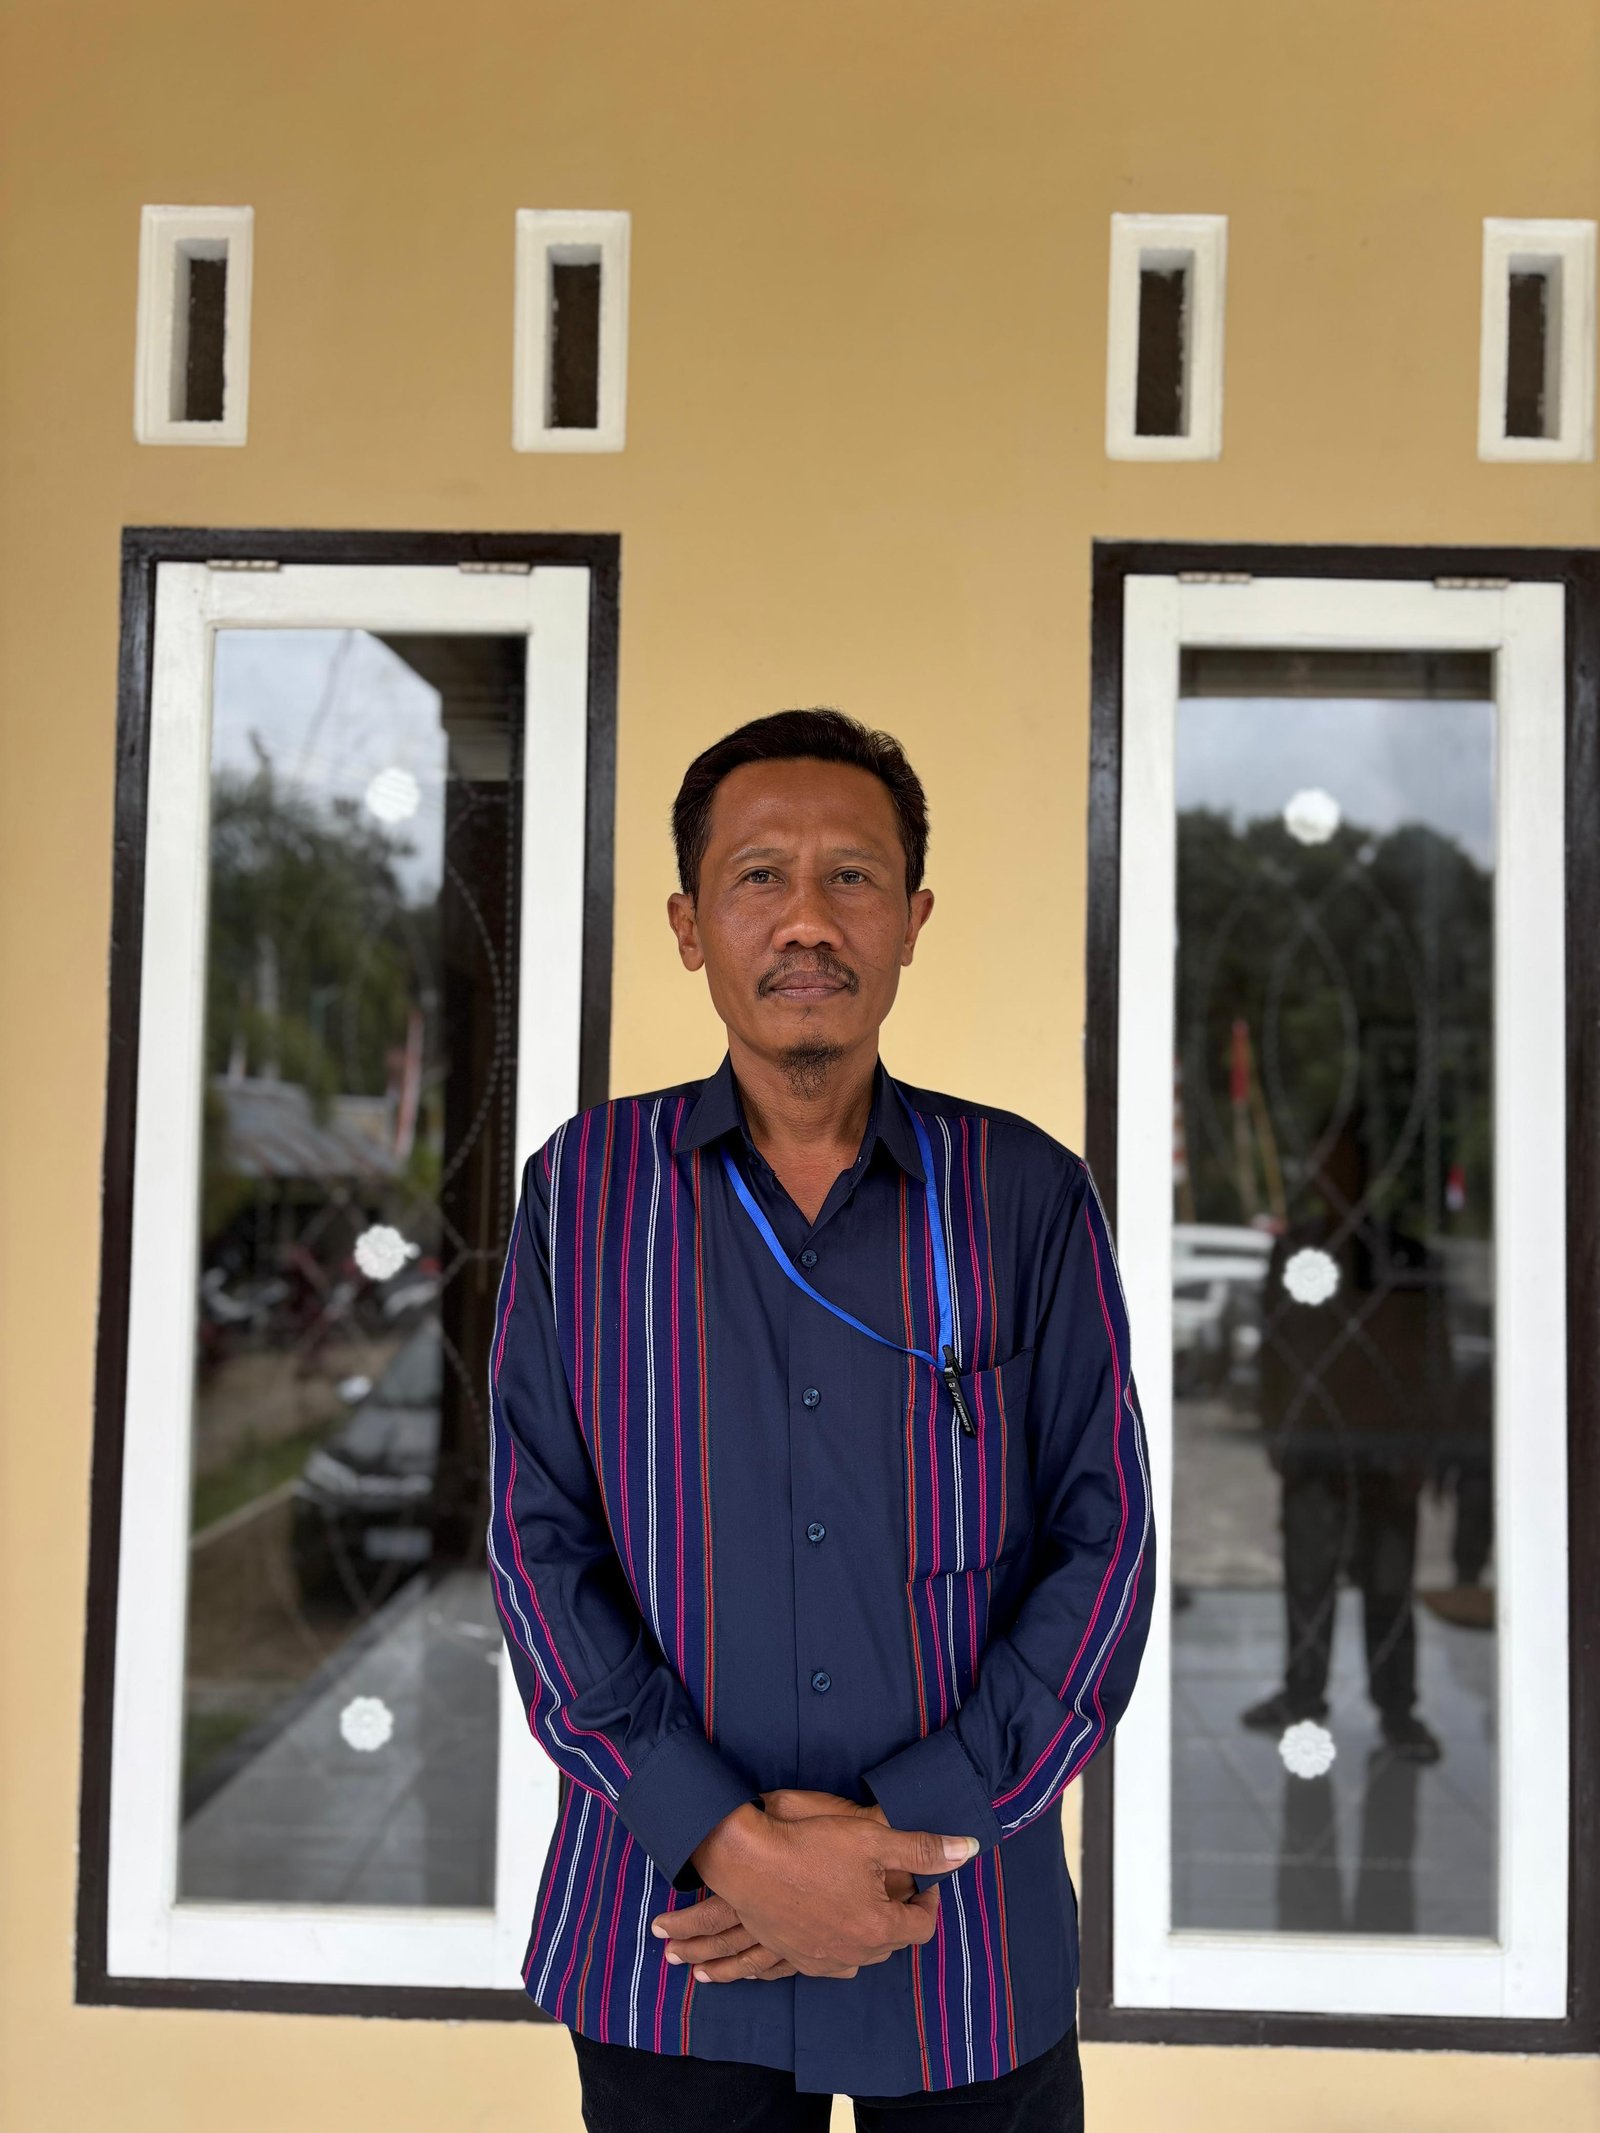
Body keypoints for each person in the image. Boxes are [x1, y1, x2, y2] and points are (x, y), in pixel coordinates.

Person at [486, 709, 1154, 2130]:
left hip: (963, 1940)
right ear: (688, 926)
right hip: (675, 1935)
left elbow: (1106, 1547)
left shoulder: (1024, 1196)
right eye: (759, 877)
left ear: (912, 921)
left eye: (852, 876)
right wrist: (723, 1837)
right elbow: (537, 1548)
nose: (807, 919)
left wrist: (922, 1821)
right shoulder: (584, 1195)